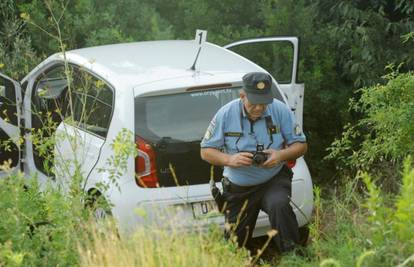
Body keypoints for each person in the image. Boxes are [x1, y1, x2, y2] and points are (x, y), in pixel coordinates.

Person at [200, 72, 307, 253]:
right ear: (242, 96)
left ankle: (294, 258)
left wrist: (280, 155)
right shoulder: (225, 114)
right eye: (254, 102)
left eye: (264, 103)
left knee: (279, 205)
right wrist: (230, 159)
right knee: (234, 244)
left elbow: (301, 146)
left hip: (273, 180)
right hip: (239, 188)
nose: (259, 108)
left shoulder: (280, 110)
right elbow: (205, 151)